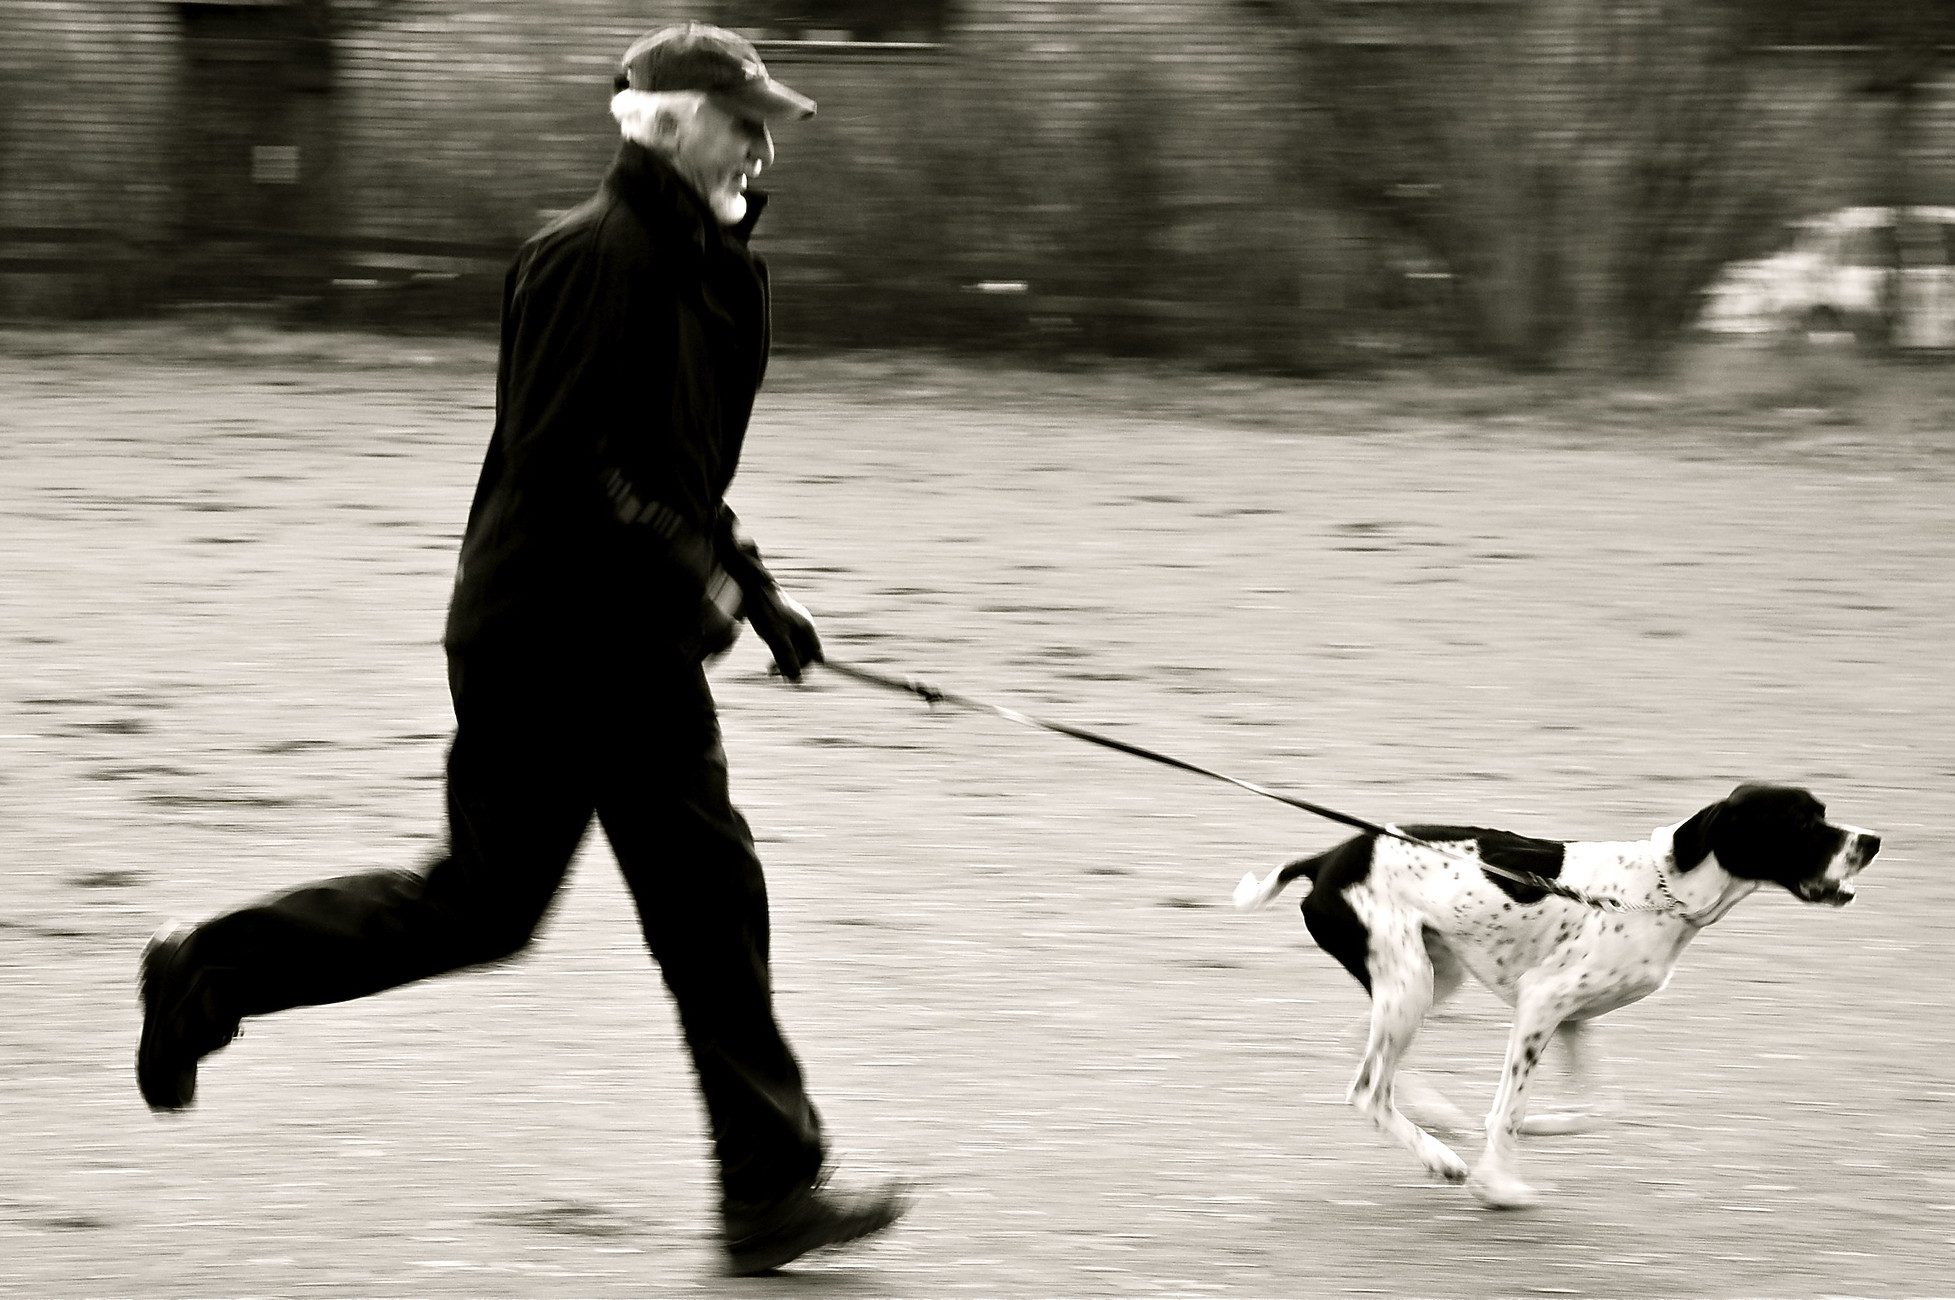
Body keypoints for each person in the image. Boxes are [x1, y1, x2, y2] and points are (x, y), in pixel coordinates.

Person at [135, 23, 908, 1276]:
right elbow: (568, 465)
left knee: (709, 903)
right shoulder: (588, 259)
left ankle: (767, 1190)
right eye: (738, 113)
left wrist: (757, 595)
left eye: (767, 117)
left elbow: (679, 475)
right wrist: (701, 583)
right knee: (484, 909)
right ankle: (206, 969)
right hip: (544, 642)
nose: (762, 138)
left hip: (636, 644)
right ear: (660, 120)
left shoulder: (720, 274)